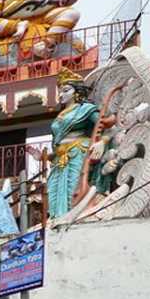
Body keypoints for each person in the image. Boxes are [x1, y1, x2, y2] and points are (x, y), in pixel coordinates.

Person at [46, 68, 101, 219]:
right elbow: (56, 144)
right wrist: (42, 157)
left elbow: (104, 125)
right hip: (60, 158)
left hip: (78, 152)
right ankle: (57, 219)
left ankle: (72, 217)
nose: (61, 94)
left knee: (73, 189)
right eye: (60, 91)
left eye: (66, 90)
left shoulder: (86, 109)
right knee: (53, 191)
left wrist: (102, 142)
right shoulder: (60, 116)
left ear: (77, 91)